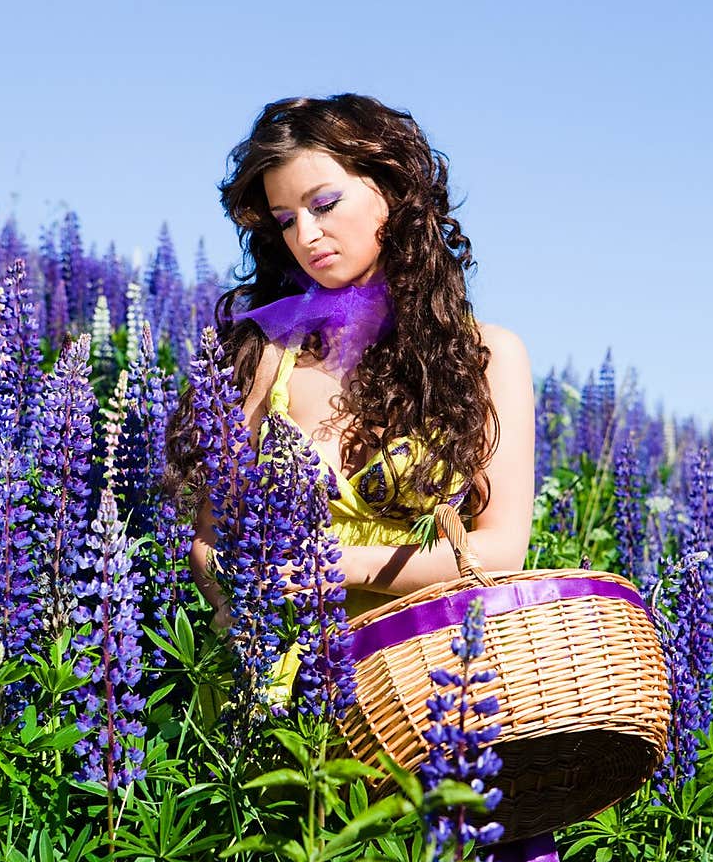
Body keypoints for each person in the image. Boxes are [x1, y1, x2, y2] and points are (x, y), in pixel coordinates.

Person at [163, 92, 535, 641]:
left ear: (390, 188)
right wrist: (239, 603)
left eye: (324, 203)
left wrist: (343, 566)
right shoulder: (268, 354)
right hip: (276, 671)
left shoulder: (486, 356)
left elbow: (502, 554)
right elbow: (210, 540)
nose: (306, 236)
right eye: (286, 220)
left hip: (422, 684)